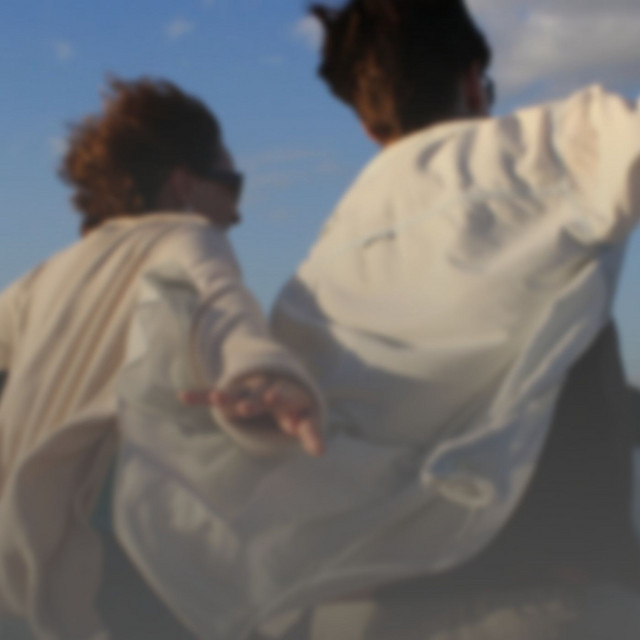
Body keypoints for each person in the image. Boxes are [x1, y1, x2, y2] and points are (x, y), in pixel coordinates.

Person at [264, 0, 640, 637]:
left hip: (353, 611)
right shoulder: (542, 148)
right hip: (537, 598)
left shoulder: (316, 269)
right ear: (470, 82)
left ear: (365, 122)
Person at [0, 77, 324, 640]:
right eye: (232, 183)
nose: (237, 213)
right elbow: (218, 304)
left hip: (18, 549)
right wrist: (261, 371)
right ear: (183, 184)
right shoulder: (186, 235)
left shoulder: (42, 276)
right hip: (108, 549)